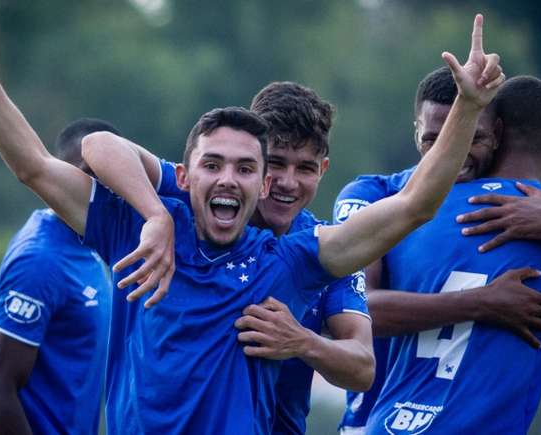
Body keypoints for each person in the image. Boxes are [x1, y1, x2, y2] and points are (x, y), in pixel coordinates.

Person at [0, 1, 505, 432]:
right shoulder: (135, 227)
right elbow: (41, 162)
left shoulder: (293, 258)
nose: (230, 178)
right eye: (213, 164)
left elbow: (414, 205)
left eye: (245, 168)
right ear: (184, 175)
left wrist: (468, 108)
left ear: (258, 185)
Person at [82, 81, 374, 435]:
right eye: (277, 164)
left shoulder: (326, 249)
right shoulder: (202, 191)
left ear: (323, 169)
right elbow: (100, 145)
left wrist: (302, 342)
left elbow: (362, 368)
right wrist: (154, 214)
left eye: (306, 169)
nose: (288, 182)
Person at [337, 74, 541, 434]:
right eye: (434, 139)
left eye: (471, 138)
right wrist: (483, 302)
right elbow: (357, 311)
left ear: (496, 135)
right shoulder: (382, 200)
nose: (452, 151)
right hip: (363, 423)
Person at [0, 119, 114, 435]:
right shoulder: (41, 261)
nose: (99, 186)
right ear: (57, 171)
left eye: (110, 174)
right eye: (88, 173)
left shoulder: (92, 243)